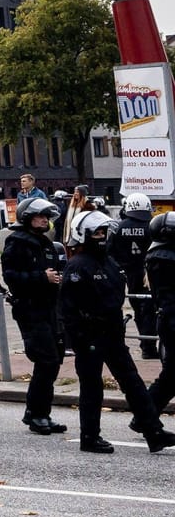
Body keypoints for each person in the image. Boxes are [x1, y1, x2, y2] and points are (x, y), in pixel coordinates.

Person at [61, 211, 170, 454]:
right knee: (92, 388)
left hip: (112, 333)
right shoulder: (77, 266)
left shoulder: (108, 261)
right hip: (90, 337)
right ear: (84, 235)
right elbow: (68, 309)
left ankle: (153, 431)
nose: (102, 236)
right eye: (97, 233)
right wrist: (79, 340)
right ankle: (89, 437)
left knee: (133, 383)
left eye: (103, 232)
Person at [0, 198, 68, 435]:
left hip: (49, 308)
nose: (44, 221)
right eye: (40, 217)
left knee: (53, 359)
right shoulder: (17, 242)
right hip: (30, 309)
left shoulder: (45, 243)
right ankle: (38, 414)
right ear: (27, 218)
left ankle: (38, 412)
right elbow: (10, 276)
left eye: (46, 218)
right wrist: (41, 277)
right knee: (46, 360)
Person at [115, 193, 156, 358]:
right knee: (151, 310)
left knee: (138, 310)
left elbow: (111, 253)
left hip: (130, 274)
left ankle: (145, 344)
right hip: (150, 273)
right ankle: (149, 346)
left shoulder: (119, 227)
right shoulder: (151, 225)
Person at [147, 214, 175, 413]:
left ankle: (144, 415)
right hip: (172, 320)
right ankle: (144, 415)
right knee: (171, 375)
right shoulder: (164, 257)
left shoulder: (160, 253)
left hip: (169, 319)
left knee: (171, 375)